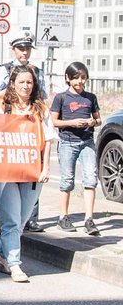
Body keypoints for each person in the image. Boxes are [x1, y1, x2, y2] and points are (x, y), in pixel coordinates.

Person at [0, 64, 57, 282]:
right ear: (13, 84)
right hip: (5, 171)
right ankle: (15, 265)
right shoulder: (3, 107)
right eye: (21, 82)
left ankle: (2, 257)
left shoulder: (41, 109)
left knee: (20, 221)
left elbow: (48, 140)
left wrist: (45, 167)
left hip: (31, 172)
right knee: (11, 221)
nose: (26, 86)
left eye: (29, 82)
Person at [0, 35, 46, 231]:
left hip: (30, 126)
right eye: (20, 48)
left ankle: (30, 218)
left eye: (27, 49)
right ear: (13, 49)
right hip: (9, 126)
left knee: (31, 172)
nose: (24, 52)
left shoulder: (37, 71)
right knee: (5, 176)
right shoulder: (3, 70)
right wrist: (13, 90)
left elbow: (42, 96)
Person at [51, 61, 102, 235]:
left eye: (83, 78)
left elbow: (98, 119)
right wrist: (72, 122)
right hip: (68, 142)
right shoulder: (61, 98)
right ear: (67, 78)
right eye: (76, 78)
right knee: (67, 180)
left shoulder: (90, 97)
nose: (80, 81)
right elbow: (54, 121)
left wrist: (92, 121)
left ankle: (89, 219)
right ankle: (63, 217)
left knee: (90, 179)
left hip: (87, 141)